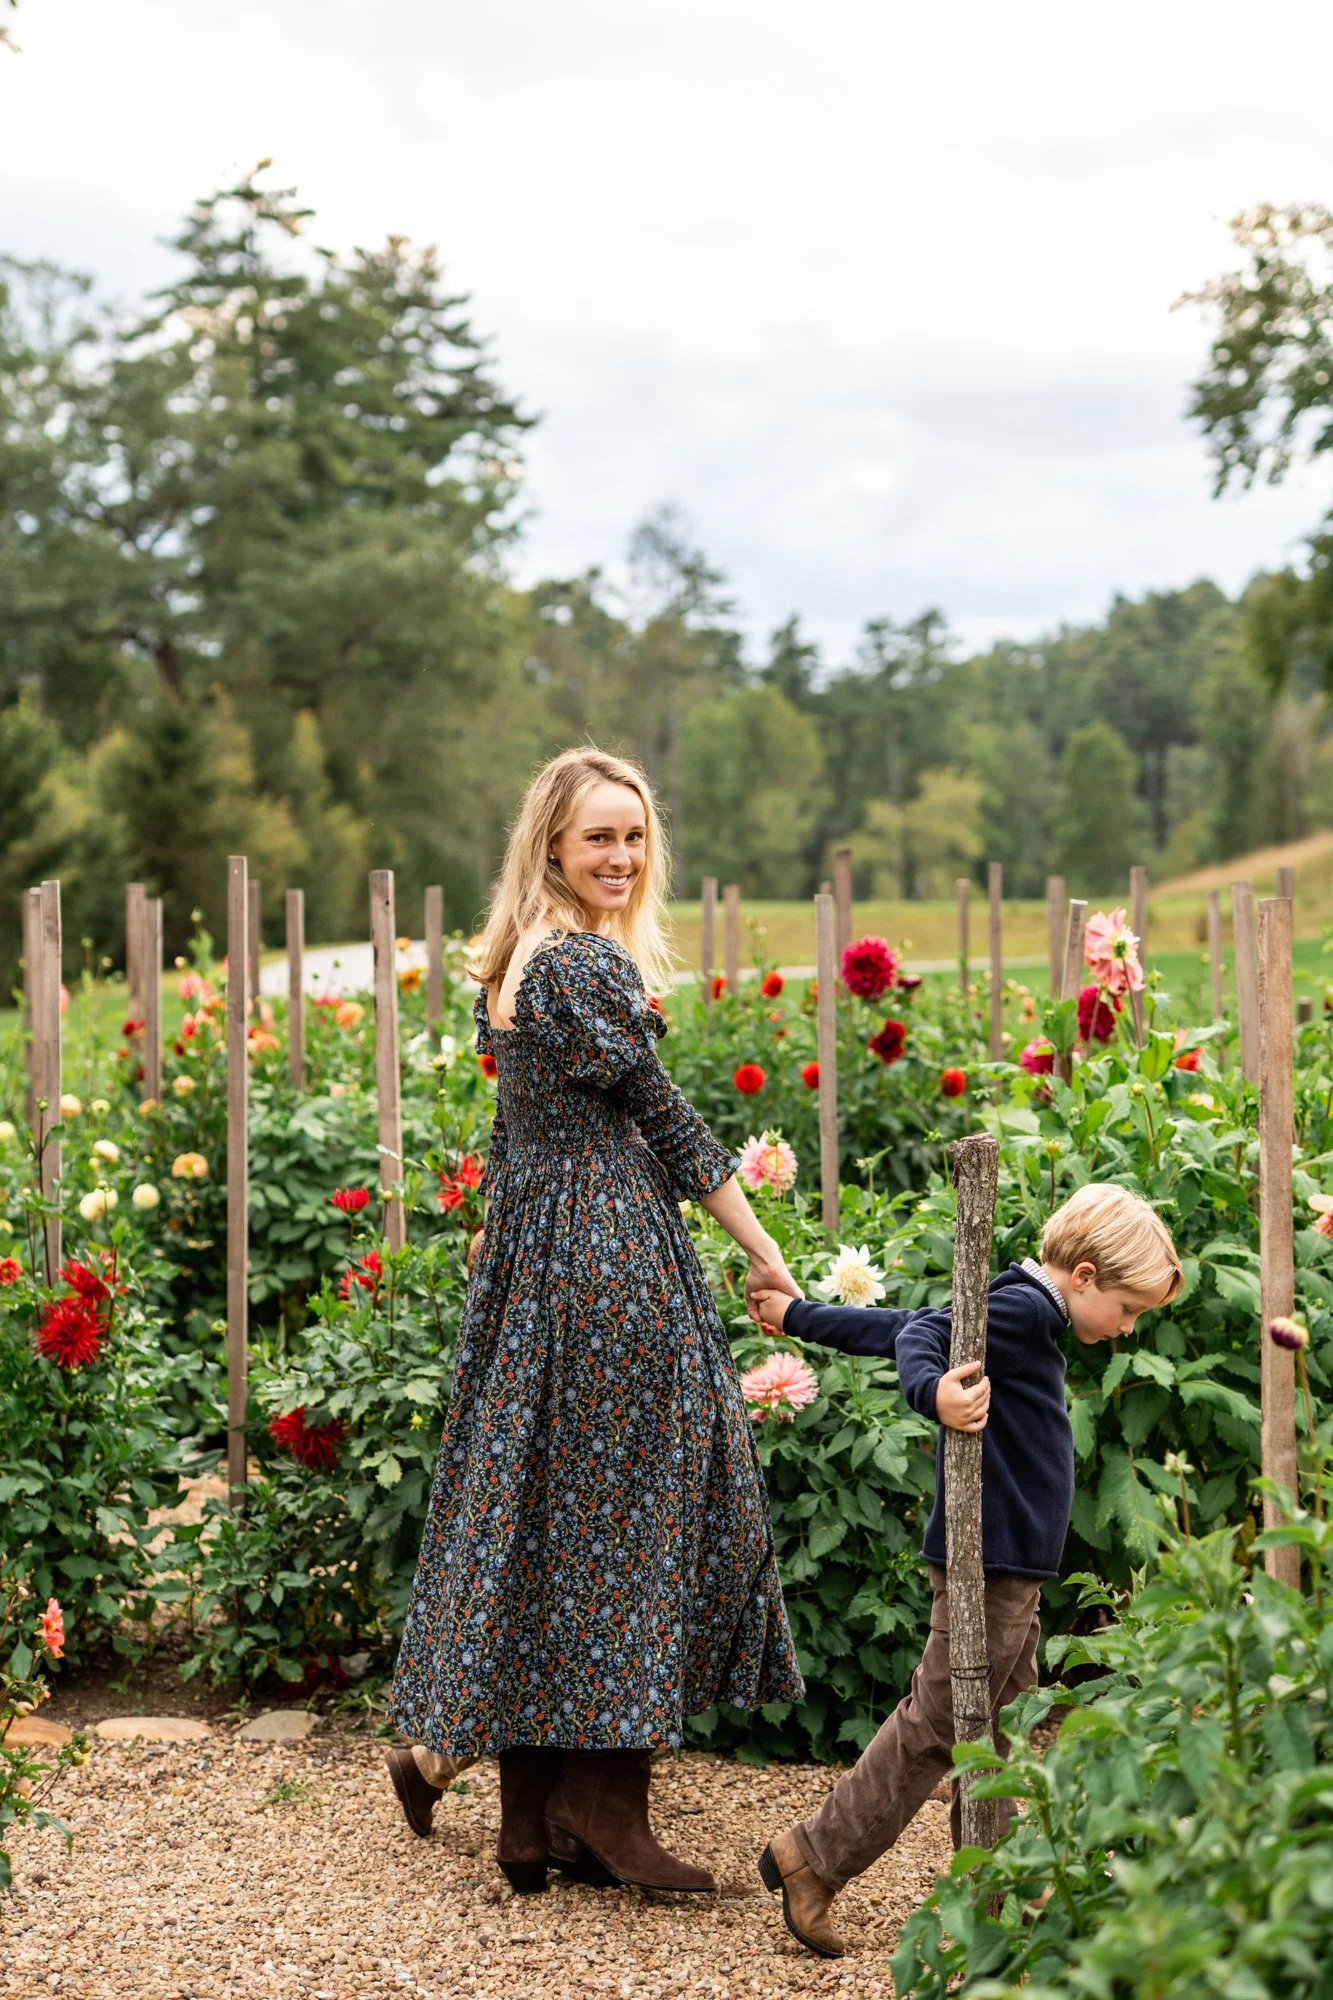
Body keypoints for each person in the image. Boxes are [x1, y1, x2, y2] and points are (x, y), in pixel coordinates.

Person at [383, 746, 805, 1895]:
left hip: (540, 1255)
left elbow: (522, 1135)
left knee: (549, 1506)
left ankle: (531, 1822)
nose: (619, 856)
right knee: (636, 1505)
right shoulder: (580, 966)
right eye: (597, 838)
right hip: (609, 1255)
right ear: (553, 847)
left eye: (633, 836)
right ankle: (603, 1809)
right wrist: (763, 1247)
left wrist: (506, 1248)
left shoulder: (520, 956)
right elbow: (663, 1120)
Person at [750, 1182, 1182, 1959]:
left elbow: (904, 1324)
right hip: (988, 1560)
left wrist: (796, 1317)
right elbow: (924, 1341)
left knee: (1004, 1729)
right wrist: (934, 1395)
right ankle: (811, 1858)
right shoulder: (1023, 1312)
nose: (1126, 1329)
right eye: (1128, 1309)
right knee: (942, 1720)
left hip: (1010, 1566)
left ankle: (1000, 1888)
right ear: (1083, 1276)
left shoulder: (1020, 1312)